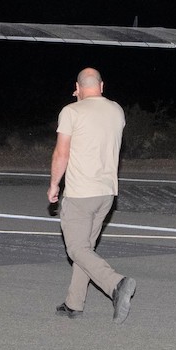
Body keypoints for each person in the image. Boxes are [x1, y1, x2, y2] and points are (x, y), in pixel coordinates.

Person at [46, 67, 135, 322]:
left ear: (77, 87)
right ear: (102, 86)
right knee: (86, 250)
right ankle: (74, 303)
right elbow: (98, 127)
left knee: (76, 249)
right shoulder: (117, 110)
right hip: (106, 193)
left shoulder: (71, 111)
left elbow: (62, 153)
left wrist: (54, 184)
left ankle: (116, 284)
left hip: (80, 193)